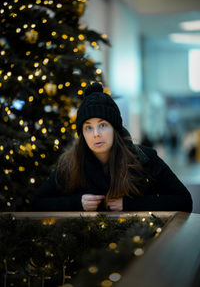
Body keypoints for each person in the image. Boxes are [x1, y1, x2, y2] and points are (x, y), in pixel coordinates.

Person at [32, 83, 193, 212]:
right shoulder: (70, 163)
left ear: (115, 129)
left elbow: (184, 200)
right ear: (82, 133)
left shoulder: (143, 158)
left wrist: (130, 205)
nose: (96, 134)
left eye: (103, 125)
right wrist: (77, 202)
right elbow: (37, 202)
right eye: (88, 127)